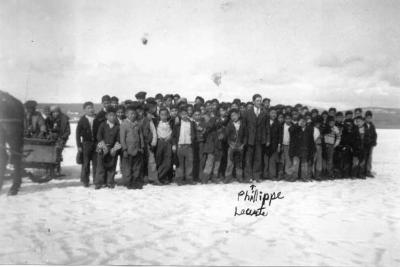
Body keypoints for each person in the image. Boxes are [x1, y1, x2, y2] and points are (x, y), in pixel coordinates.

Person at [243, 94, 270, 183]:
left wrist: (267, 139)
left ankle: (256, 176)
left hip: (259, 139)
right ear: (253, 101)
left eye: (260, 100)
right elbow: (244, 127)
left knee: (258, 159)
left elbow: (267, 128)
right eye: (257, 100)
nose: (259, 102)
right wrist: (244, 140)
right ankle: (248, 177)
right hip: (250, 140)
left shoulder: (264, 113)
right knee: (248, 159)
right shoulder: (247, 112)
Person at [95, 107, 121, 189]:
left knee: (112, 166)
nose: (112, 117)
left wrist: (114, 149)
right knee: (100, 166)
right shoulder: (103, 125)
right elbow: (99, 136)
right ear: (106, 116)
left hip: (112, 148)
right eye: (110, 115)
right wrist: (104, 147)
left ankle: (110, 182)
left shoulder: (117, 127)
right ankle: (99, 182)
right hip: (102, 147)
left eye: (114, 115)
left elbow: (118, 139)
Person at [120, 105, 145, 189]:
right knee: (128, 168)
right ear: (126, 114)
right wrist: (124, 149)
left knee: (137, 167)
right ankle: (128, 182)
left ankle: (136, 182)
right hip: (128, 150)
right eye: (131, 114)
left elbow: (140, 136)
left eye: (134, 114)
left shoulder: (137, 124)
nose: (133, 115)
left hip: (137, 150)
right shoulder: (124, 124)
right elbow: (122, 139)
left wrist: (141, 147)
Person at [172, 106, 196, 185]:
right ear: (179, 114)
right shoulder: (177, 123)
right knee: (179, 164)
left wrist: (192, 138)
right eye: (182, 114)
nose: (184, 115)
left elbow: (193, 133)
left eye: (185, 114)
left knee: (189, 163)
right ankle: (179, 178)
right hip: (180, 146)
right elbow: (174, 136)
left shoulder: (191, 123)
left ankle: (189, 178)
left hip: (189, 146)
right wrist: (174, 145)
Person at [76, 102, 97, 187]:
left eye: (92, 107)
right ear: (84, 110)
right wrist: (79, 146)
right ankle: (85, 180)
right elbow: (77, 134)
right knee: (86, 162)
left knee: (96, 162)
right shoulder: (82, 120)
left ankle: (96, 180)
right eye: (88, 108)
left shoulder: (97, 118)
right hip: (86, 144)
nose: (91, 109)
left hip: (96, 144)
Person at [288, 116, 315, 181]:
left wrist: (312, 149)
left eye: (304, 121)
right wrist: (297, 125)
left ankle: (304, 177)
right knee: (295, 164)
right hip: (296, 149)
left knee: (304, 164)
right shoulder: (295, 128)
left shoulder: (309, 129)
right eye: (301, 121)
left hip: (305, 149)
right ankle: (294, 177)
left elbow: (311, 140)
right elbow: (290, 130)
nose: (303, 123)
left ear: (306, 122)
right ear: (299, 121)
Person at [224, 109, 247, 183]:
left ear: (239, 115)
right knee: (230, 162)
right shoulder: (229, 124)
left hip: (240, 145)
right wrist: (230, 144)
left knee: (239, 162)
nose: (233, 117)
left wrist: (243, 145)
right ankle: (228, 177)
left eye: (235, 115)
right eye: (231, 116)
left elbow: (245, 136)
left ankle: (239, 176)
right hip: (232, 146)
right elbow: (226, 135)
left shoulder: (243, 124)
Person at [48, 105, 71, 176]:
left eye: (56, 112)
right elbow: (46, 128)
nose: (55, 114)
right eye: (53, 112)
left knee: (57, 151)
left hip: (61, 138)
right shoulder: (49, 119)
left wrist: (62, 138)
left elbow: (67, 131)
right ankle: (49, 168)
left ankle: (57, 169)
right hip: (51, 138)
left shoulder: (64, 119)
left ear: (59, 112)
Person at [154, 108, 174, 184]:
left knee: (168, 161)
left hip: (168, 143)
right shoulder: (156, 122)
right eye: (162, 115)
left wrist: (170, 137)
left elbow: (173, 132)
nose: (164, 116)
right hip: (159, 142)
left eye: (165, 115)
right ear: (159, 115)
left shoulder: (171, 123)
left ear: (168, 115)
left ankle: (163, 176)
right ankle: (159, 177)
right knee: (159, 160)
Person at [264, 108, 282, 180]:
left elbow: (280, 135)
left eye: (275, 113)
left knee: (272, 161)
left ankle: (272, 175)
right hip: (266, 144)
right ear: (269, 113)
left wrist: (279, 145)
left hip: (274, 145)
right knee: (265, 161)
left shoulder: (278, 124)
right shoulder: (265, 122)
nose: (273, 115)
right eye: (272, 113)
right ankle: (265, 175)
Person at [279, 113, 292, 179]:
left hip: (289, 145)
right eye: (286, 119)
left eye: (289, 119)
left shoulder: (292, 126)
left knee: (288, 161)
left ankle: (287, 175)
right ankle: (280, 175)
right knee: (281, 160)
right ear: (284, 119)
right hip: (282, 145)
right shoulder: (281, 126)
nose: (288, 120)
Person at [365, 110, 377, 177]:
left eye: (370, 117)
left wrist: (374, 142)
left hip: (370, 144)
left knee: (369, 158)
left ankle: (368, 170)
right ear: (365, 117)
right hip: (364, 144)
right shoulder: (363, 124)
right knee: (364, 157)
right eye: (367, 117)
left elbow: (375, 135)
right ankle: (363, 170)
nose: (368, 119)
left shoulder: (372, 125)